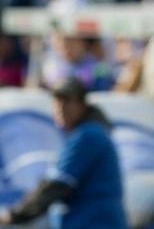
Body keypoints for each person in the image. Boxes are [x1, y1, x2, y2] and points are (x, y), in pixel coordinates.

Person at [0, 78, 127, 229]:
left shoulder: (88, 136)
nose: (60, 108)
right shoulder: (89, 134)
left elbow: (56, 186)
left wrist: (14, 215)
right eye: (57, 102)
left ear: (81, 105)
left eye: (67, 102)